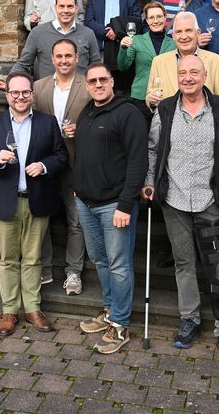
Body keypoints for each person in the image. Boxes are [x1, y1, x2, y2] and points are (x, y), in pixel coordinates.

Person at [142, 54, 219, 364]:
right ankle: (190, 319)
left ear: (204, 76)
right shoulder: (166, 108)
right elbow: (153, 147)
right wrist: (150, 182)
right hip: (174, 198)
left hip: (209, 199)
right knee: (184, 262)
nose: (188, 77)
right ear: (177, 76)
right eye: (183, 73)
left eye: (194, 72)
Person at [0, 73, 68, 337]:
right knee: (8, 259)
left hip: (37, 200)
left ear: (32, 95)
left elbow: (61, 156)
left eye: (25, 92)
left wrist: (44, 165)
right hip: (5, 201)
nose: (21, 97)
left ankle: (33, 308)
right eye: (15, 93)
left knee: (33, 257)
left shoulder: (48, 124)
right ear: (7, 96)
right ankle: (9, 311)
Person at [74, 63, 148, 354]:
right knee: (100, 260)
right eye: (92, 81)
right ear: (87, 85)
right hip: (86, 201)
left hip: (115, 205)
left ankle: (120, 324)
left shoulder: (128, 113)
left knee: (118, 265)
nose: (98, 84)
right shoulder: (86, 112)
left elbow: (138, 161)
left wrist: (126, 204)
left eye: (103, 79)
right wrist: (78, 186)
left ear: (112, 81)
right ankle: (109, 309)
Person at [33, 39, 92, 295]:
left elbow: (98, 120)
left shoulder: (88, 86)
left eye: (69, 55)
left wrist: (82, 130)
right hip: (45, 163)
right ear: (52, 58)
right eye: (59, 56)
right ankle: (44, 269)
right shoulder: (38, 87)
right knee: (41, 218)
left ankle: (73, 272)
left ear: (77, 58)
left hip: (76, 162)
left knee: (76, 221)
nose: (64, 60)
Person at [8, 0, 101, 81]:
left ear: (76, 8)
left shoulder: (88, 34)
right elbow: (23, 64)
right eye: (61, 6)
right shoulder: (38, 33)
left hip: (80, 93)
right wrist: (9, 83)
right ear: (55, 7)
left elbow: (96, 66)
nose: (66, 10)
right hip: (46, 93)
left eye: (70, 6)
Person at [146, 11, 219, 109]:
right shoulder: (158, 62)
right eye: (179, 32)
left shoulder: (215, 61)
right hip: (168, 121)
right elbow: (150, 97)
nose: (184, 37)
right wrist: (150, 100)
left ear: (198, 33)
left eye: (188, 30)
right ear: (173, 36)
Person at [84, 0, 142, 94]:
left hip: (124, 49)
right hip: (102, 51)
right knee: (102, 87)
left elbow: (137, 21)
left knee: (123, 90)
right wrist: (108, 32)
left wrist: (117, 33)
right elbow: (88, 21)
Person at [118, 1, 176, 121]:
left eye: (159, 16)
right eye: (151, 17)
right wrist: (123, 48)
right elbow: (123, 66)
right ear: (147, 21)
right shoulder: (137, 40)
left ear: (165, 18)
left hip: (167, 95)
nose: (156, 21)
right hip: (140, 96)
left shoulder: (174, 44)